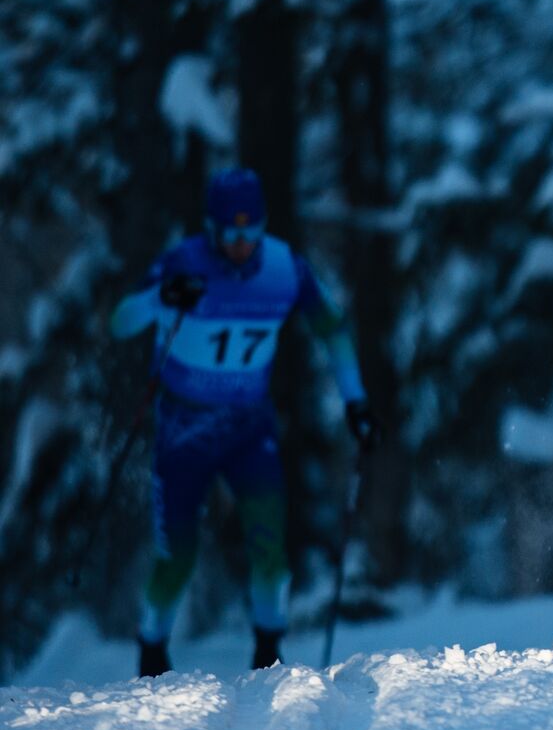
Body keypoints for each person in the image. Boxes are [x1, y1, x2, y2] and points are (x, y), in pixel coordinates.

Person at [111, 168, 378, 676]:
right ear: (211, 228)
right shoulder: (183, 263)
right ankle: (150, 647)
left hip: (247, 428)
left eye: (251, 232)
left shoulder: (284, 268)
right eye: (230, 234)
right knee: (178, 555)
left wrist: (356, 402)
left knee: (269, 546)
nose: (241, 244)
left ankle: (269, 652)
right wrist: (159, 297)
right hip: (182, 430)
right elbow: (120, 320)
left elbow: (334, 328)